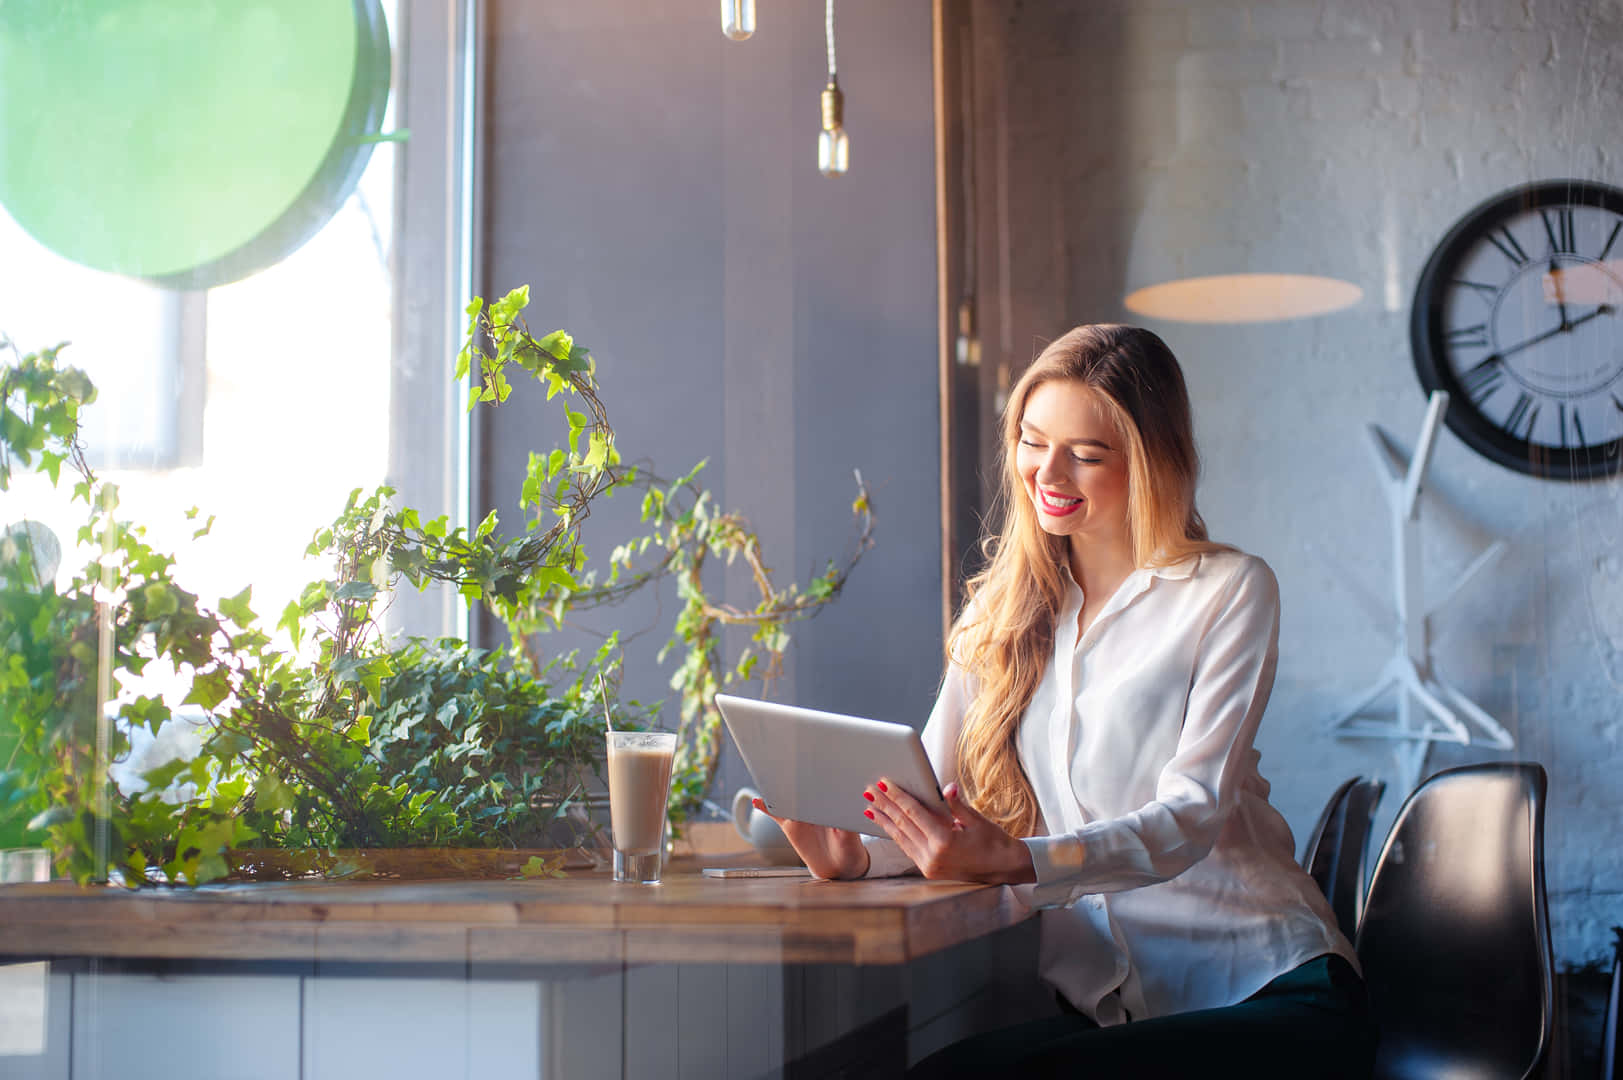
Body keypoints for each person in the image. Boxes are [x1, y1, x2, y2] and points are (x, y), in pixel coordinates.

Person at [757, 325, 1376, 1078]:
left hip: (1265, 988)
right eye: (1030, 439)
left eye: (1085, 454)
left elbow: (1189, 817)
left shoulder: (1228, 591)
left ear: (1150, 463)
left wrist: (1020, 859)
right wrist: (860, 854)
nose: (1046, 472)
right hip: (1108, 1009)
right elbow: (938, 805)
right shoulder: (996, 616)